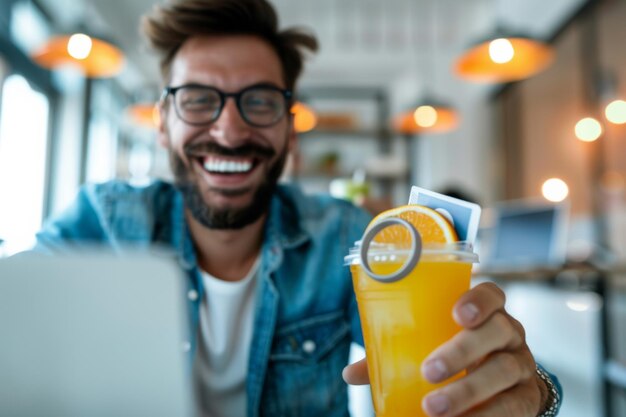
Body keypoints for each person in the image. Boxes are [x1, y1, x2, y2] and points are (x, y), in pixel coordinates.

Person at [34, 0, 562, 416]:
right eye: (197, 99)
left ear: (290, 128)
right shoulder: (101, 222)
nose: (228, 130)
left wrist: (528, 392)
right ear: (163, 122)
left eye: (259, 101)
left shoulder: (348, 238)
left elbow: (465, 364)